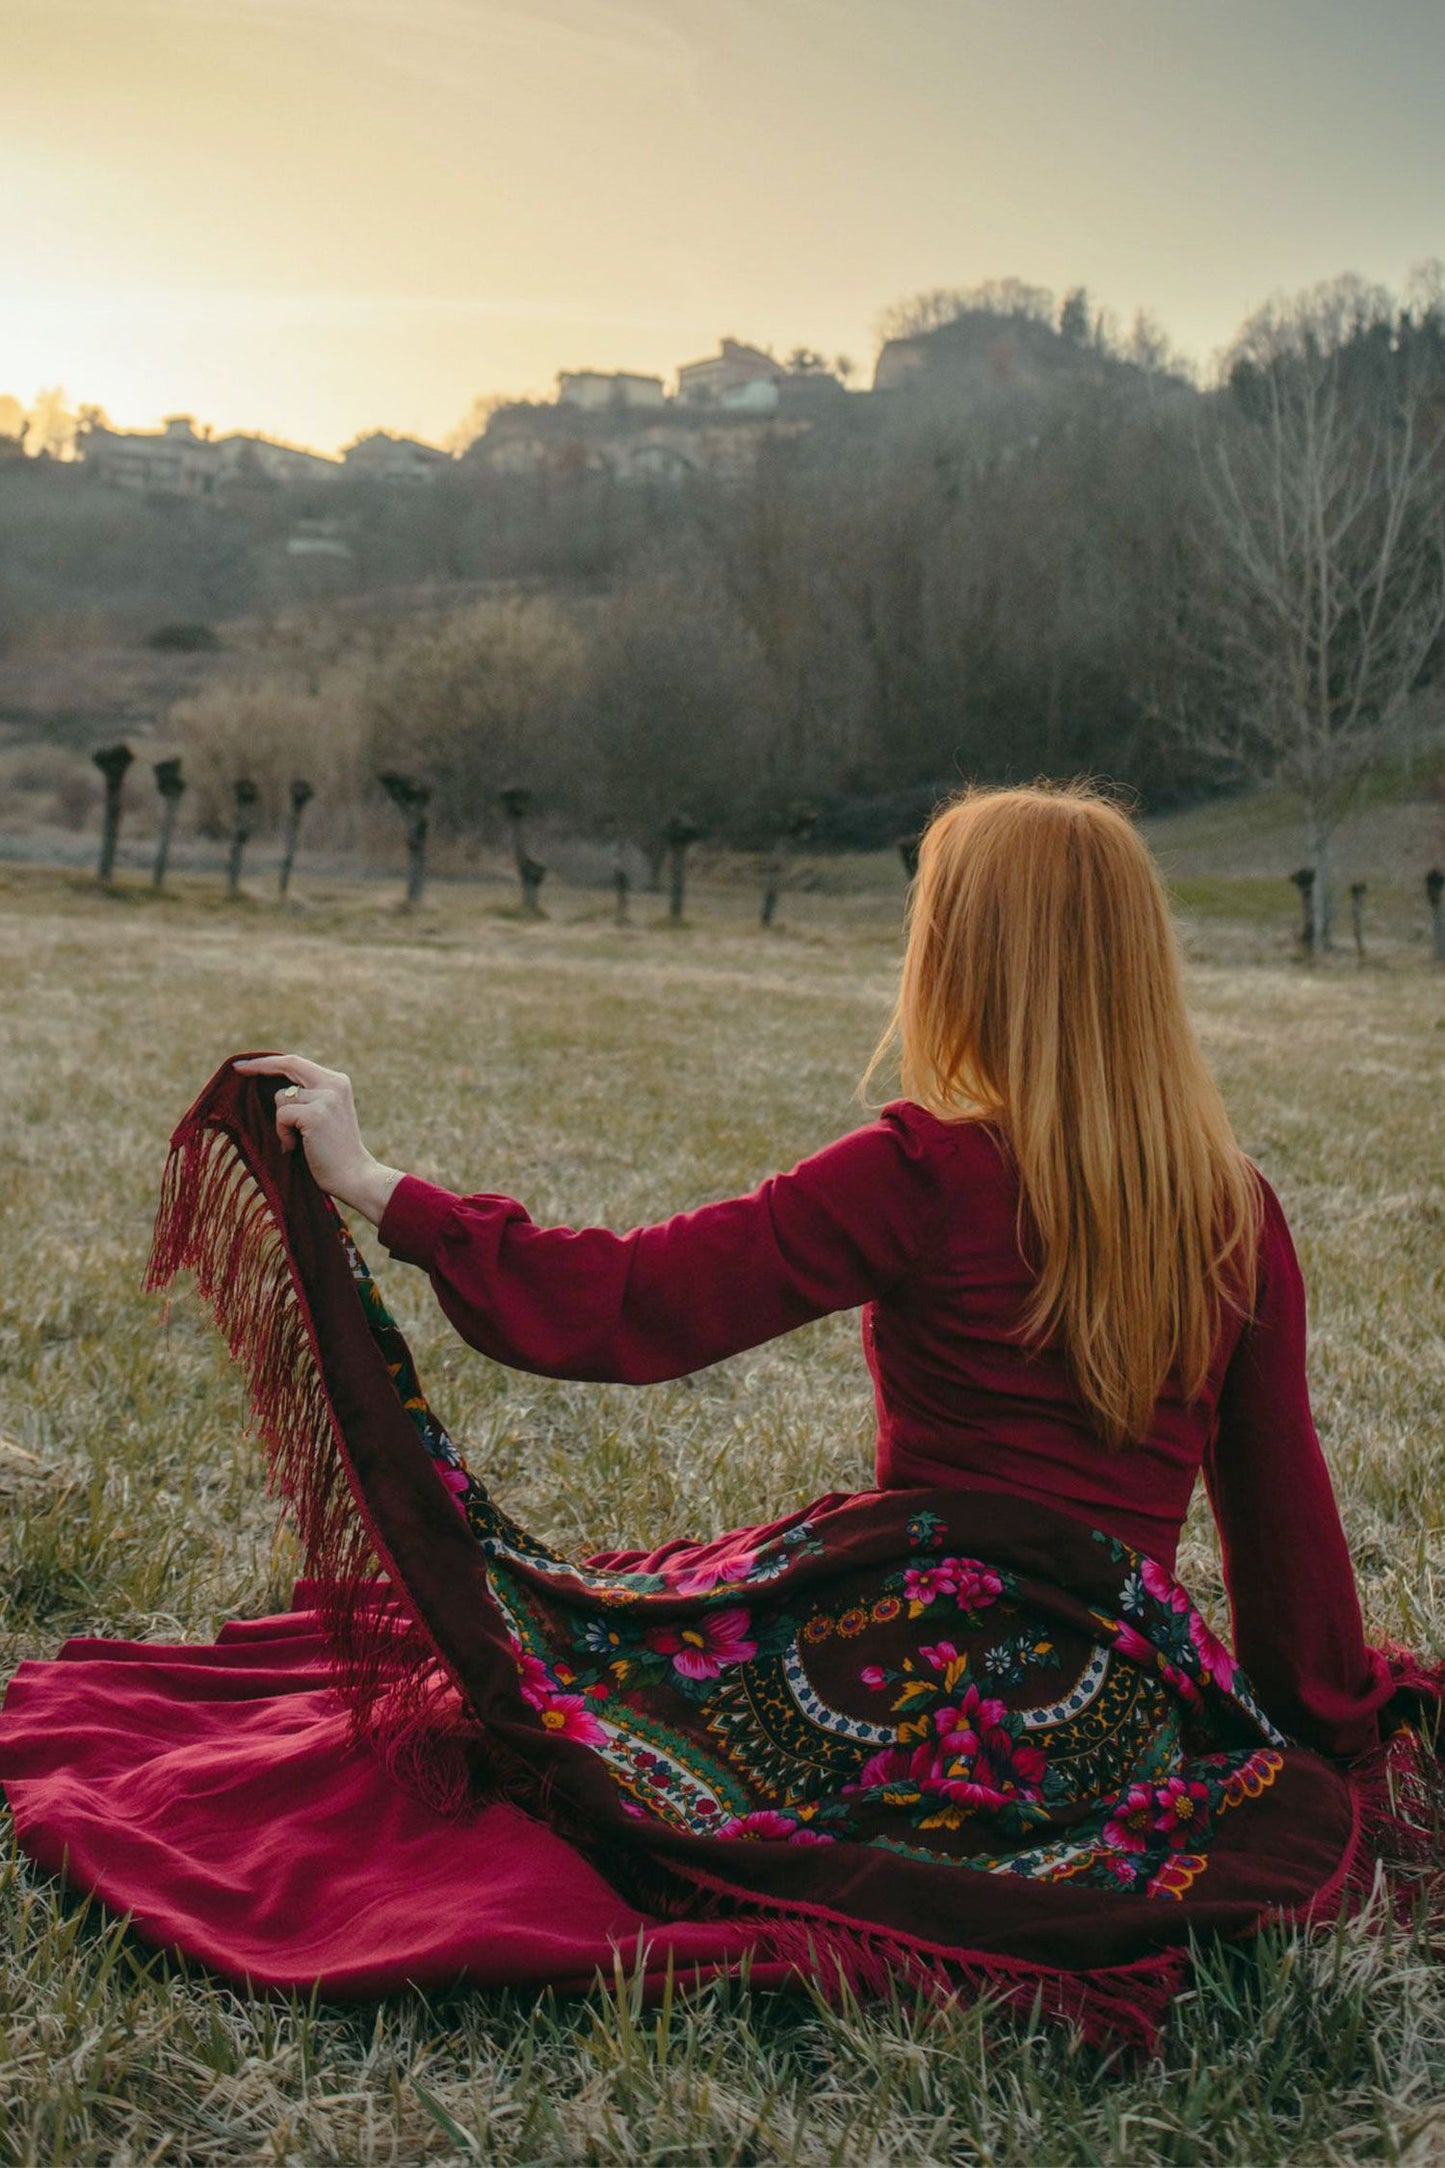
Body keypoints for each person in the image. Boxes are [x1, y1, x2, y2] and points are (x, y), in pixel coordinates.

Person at [0, 782, 1434, 2047]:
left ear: (962, 959)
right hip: (1104, 1711)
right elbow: (1283, 1524)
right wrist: (1324, 1735)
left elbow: (634, 1306)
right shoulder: (1234, 1208)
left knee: (567, 1697)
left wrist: (385, 1191)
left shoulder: (921, 1170)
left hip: (902, 1648)